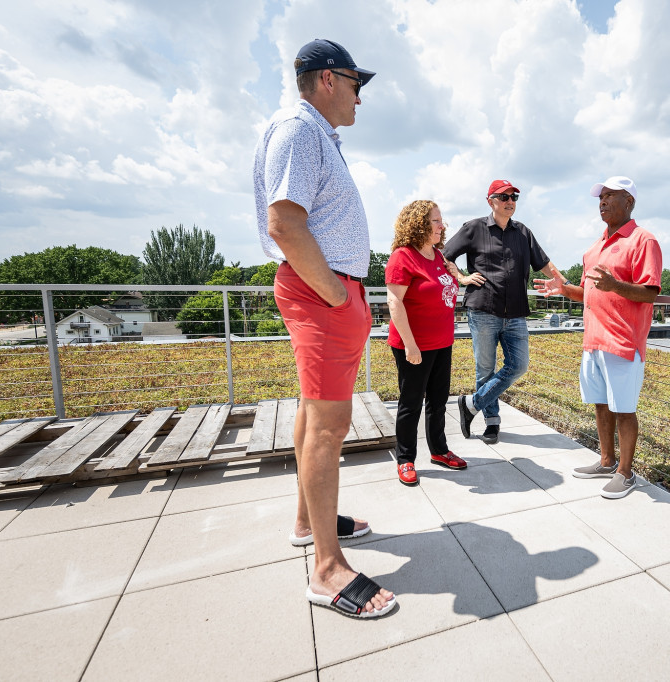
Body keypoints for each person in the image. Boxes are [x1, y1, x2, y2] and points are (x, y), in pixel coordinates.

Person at [253, 38, 395, 617]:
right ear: (329, 80)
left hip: (327, 290)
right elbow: (285, 223)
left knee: (315, 415)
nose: (361, 98)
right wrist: (337, 293)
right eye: (357, 85)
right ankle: (328, 570)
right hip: (323, 291)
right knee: (331, 426)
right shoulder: (298, 128)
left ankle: (307, 522)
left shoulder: (314, 134)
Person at [534, 176, 662, 499]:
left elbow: (649, 293)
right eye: (600, 197)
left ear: (629, 202)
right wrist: (563, 289)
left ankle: (625, 473)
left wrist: (616, 286)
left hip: (622, 341)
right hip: (592, 341)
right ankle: (606, 461)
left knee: (624, 409)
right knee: (601, 404)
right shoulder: (593, 249)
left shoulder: (643, 242)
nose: (602, 202)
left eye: (610, 196)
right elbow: (587, 292)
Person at [444, 180, 564, 444]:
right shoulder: (473, 228)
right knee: (485, 369)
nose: (510, 201)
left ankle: (471, 404)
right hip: (484, 309)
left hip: (517, 313)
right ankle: (492, 423)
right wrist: (462, 278)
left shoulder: (523, 232)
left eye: (514, 197)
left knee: (519, 365)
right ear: (491, 201)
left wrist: (564, 284)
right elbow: (445, 255)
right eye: (504, 197)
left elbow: (543, 262)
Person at [385, 200, 470, 485]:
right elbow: (394, 301)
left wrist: (461, 276)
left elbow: (450, 280)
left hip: (442, 341)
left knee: (438, 401)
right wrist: (410, 345)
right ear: (418, 223)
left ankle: (439, 451)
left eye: (440, 220)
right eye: (436, 221)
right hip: (414, 344)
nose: (442, 225)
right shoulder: (403, 256)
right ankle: (406, 458)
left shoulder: (438, 255)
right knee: (411, 403)